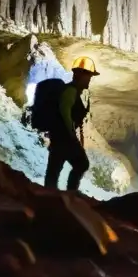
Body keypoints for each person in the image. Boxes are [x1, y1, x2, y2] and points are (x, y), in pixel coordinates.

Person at [44, 57, 97, 192]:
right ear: (80, 75)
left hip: (59, 137)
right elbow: (64, 111)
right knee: (81, 163)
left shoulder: (73, 91)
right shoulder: (70, 91)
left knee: (54, 170)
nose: (89, 80)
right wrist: (71, 133)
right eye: (88, 77)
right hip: (64, 137)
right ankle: (71, 193)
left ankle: (51, 195)